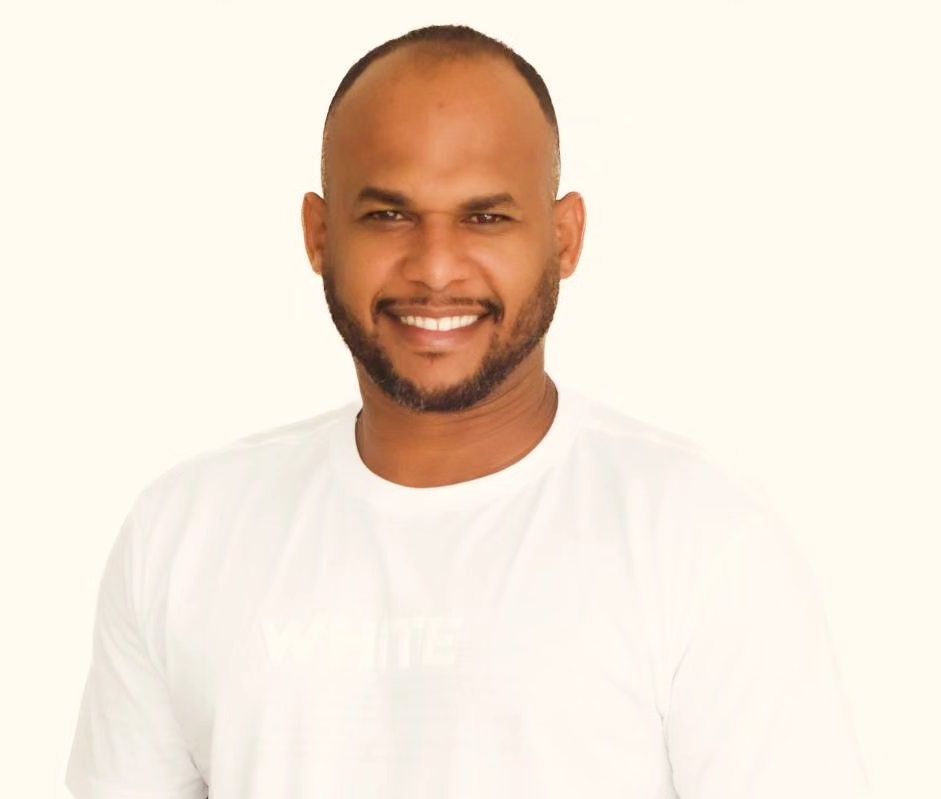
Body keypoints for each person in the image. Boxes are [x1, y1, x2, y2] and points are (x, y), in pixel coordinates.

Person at [65, 24, 870, 799]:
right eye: (388, 215)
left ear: (564, 238)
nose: (436, 267)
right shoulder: (183, 531)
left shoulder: (703, 539)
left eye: (485, 217)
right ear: (318, 235)